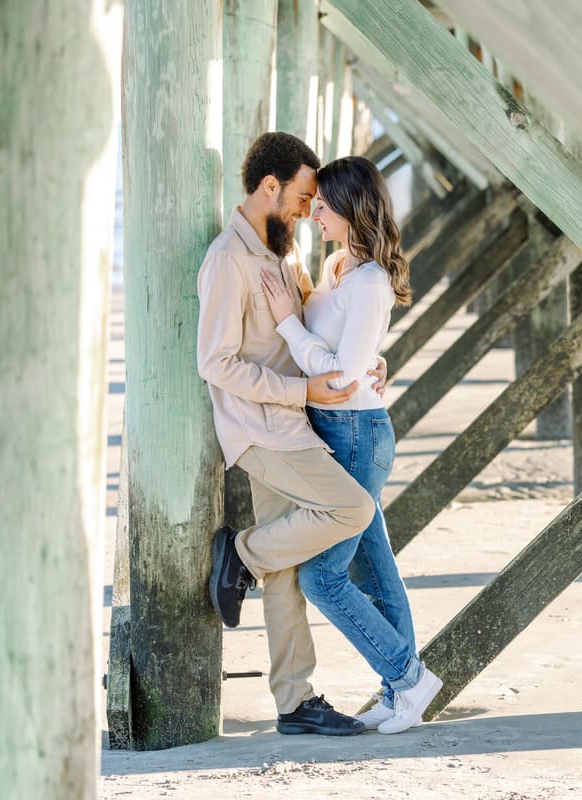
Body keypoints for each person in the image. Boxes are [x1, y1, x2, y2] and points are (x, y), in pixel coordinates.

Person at [197, 132, 385, 737]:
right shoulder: (228, 260)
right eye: (303, 199)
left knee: (287, 569)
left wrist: (359, 362)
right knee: (351, 507)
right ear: (269, 187)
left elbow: (312, 326)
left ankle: (294, 702)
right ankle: (241, 554)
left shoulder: (284, 250)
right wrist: (300, 392)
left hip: (296, 424)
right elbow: (216, 363)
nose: (309, 212)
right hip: (261, 429)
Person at [260, 156, 442, 735]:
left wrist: (289, 325)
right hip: (339, 430)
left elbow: (339, 376)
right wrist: (365, 362)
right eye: (312, 204)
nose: (314, 213)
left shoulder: (370, 281)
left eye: (324, 205)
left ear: (350, 206)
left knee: (323, 578)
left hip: (356, 435)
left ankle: (409, 678)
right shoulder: (340, 265)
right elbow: (352, 356)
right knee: (375, 568)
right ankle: (400, 691)